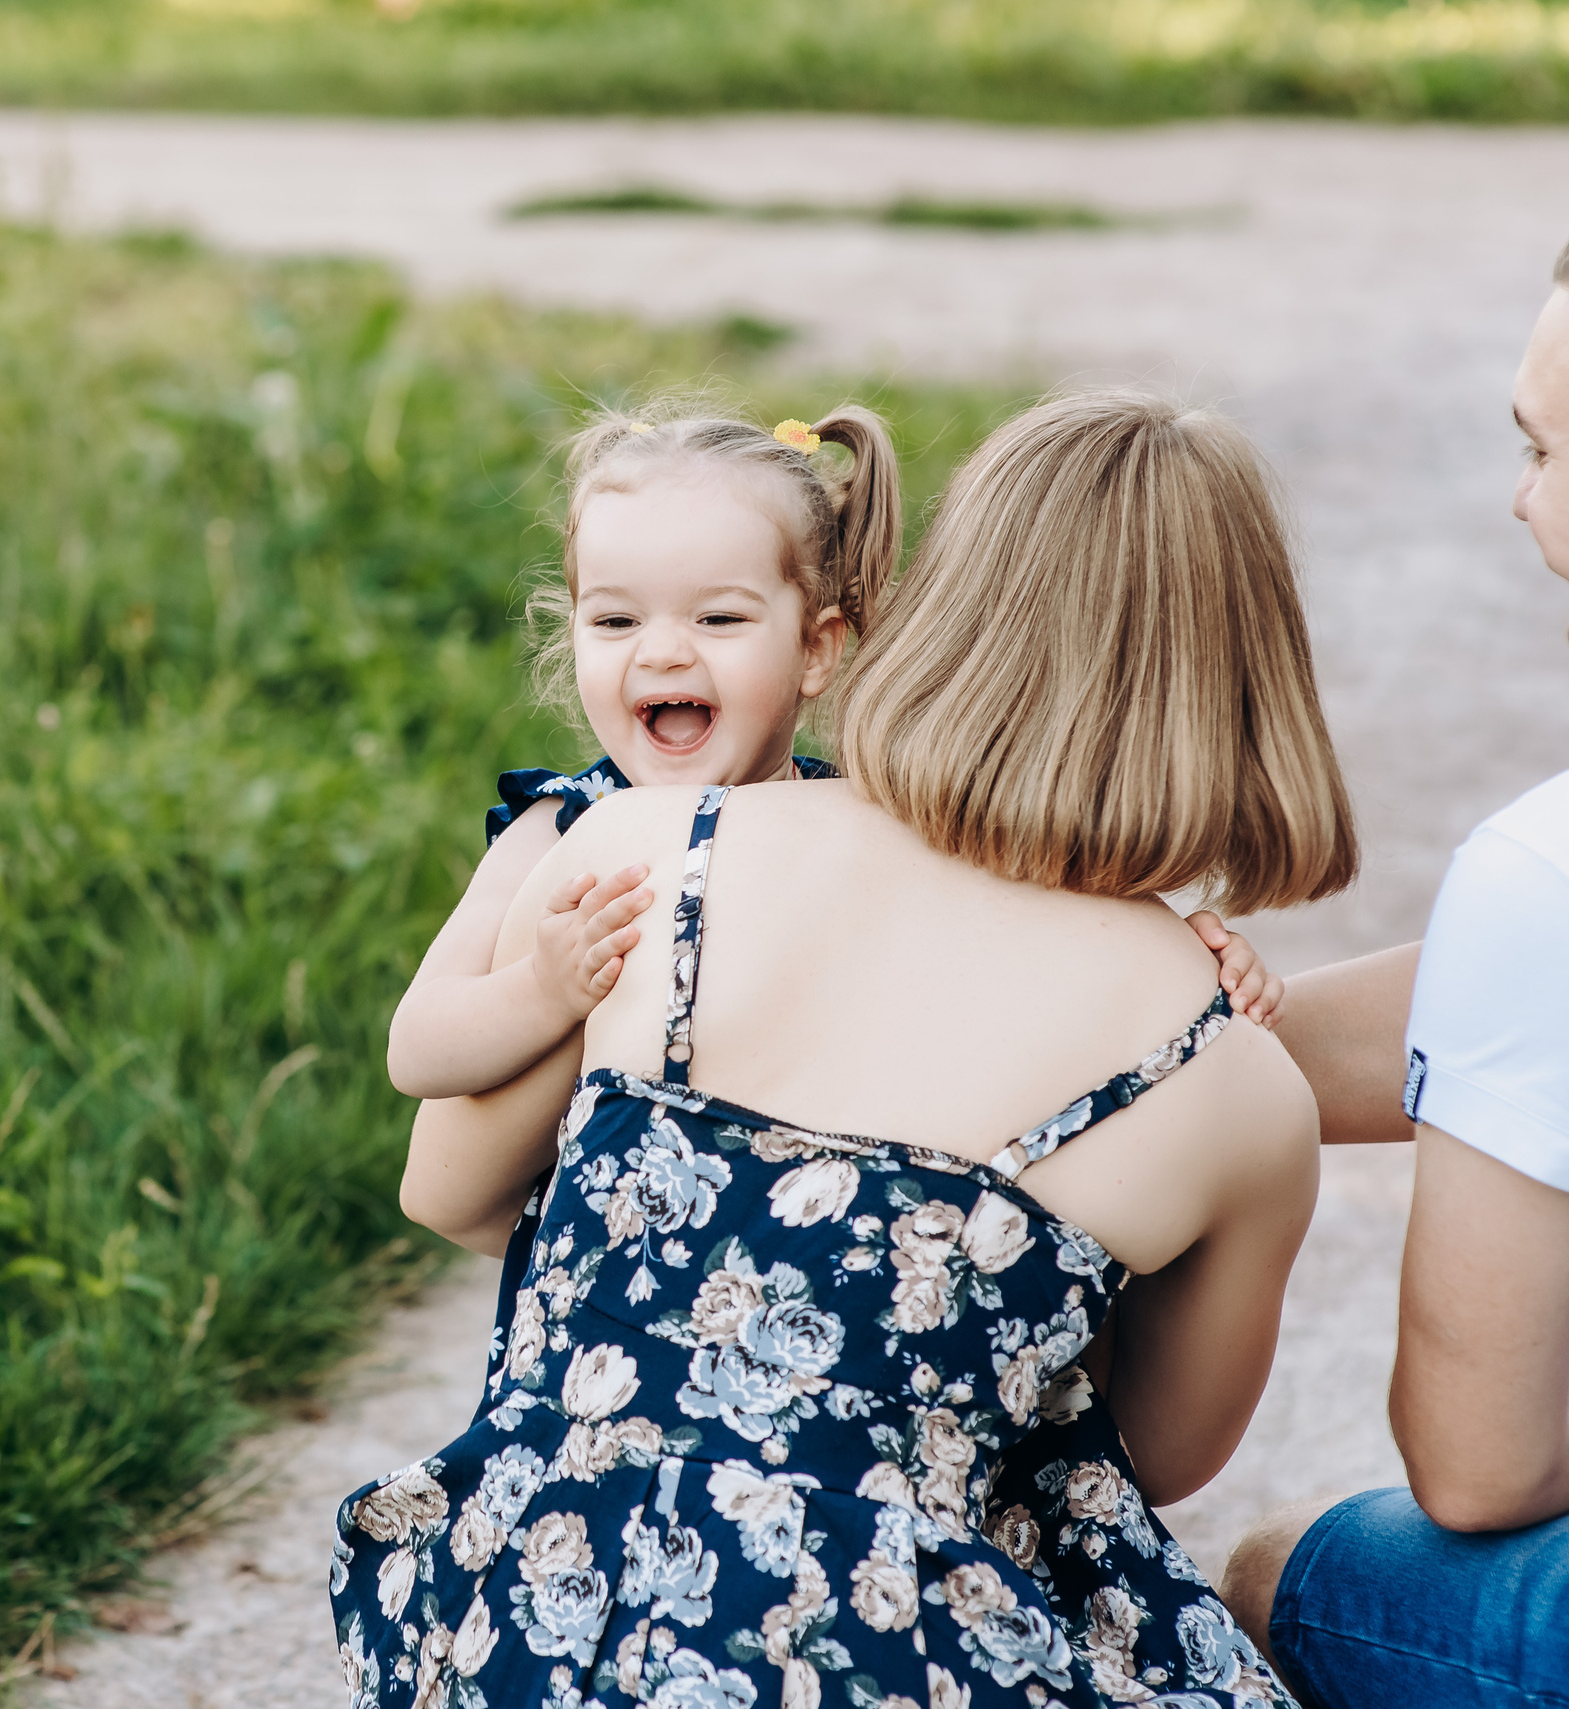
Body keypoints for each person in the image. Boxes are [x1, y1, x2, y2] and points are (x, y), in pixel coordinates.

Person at [331, 389, 1354, 1709]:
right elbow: (1148, 1455)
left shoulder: (656, 851)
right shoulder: (1233, 1079)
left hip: (535, 1628)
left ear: (929, 608)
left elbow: (446, 1186)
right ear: (1252, 687)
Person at [385, 401, 1281, 1111]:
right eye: (615, 620)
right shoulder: (562, 829)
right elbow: (417, 1049)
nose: (659, 653)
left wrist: (1185, 968)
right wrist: (546, 987)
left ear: (817, 649)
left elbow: (1006, 941)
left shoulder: (859, 823)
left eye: (718, 618)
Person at [1220, 212, 1569, 1709]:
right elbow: (1508, 1015)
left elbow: (1479, 1464)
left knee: (1286, 1569)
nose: (1517, 502)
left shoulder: (1563, 868)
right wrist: (1152, 1016)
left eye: (1544, 449)